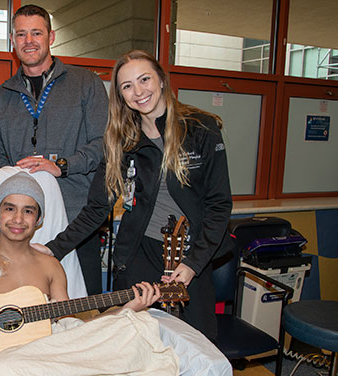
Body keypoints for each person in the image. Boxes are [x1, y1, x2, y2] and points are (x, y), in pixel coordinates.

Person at [39, 50, 233, 341]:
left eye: (144, 80)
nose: (138, 91)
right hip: (140, 255)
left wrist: (193, 264)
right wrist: (54, 248)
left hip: (192, 255)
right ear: (120, 95)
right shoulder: (121, 140)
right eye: (127, 86)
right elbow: (96, 208)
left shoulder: (201, 129)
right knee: (130, 344)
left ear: (162, 81)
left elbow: (219, 205)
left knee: (195, 347)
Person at [0, 172, 160, 376]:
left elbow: (72, 332)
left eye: (28, 211)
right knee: (2, 373)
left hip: (40, 362)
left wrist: (127, 309)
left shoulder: (51, 267)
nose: (18, 219)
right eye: (9, 208)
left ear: (38, 220)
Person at [0, 4, 108, 295]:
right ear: (12, 41)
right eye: (21, 34)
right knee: (26, 307)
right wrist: (16, 181)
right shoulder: (1, 98)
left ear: (51, 37)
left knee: (81, 308)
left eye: (36, 33)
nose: (29, 41)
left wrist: (61, 165)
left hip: (77, 222)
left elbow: (104, 144)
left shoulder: (86, 84)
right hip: (21, 225)